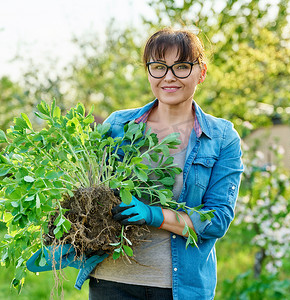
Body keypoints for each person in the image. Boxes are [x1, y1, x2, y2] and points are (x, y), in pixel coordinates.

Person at [27, 28, 244, 300]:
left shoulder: (222, 138)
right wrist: (65, 217)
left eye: (181, 67)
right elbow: (89, 191)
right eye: (159, 67)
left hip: (179, 288)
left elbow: (217, 220)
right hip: (112, 281)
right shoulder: (119, 126)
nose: (169, 77)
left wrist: (154, 215)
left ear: (201, 72)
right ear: (148, 71)